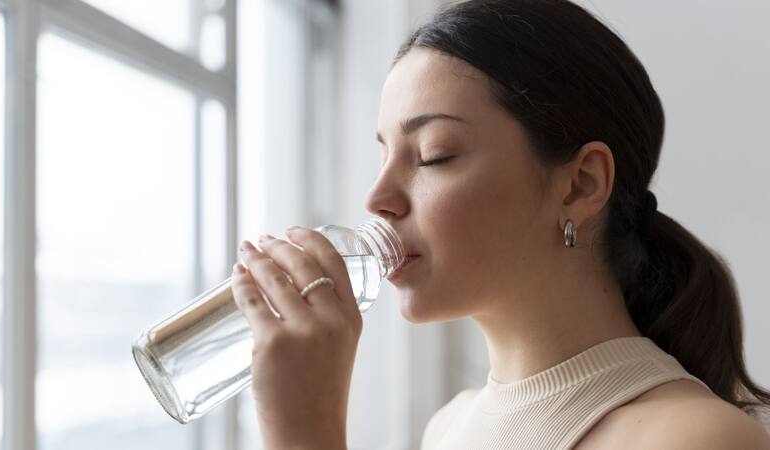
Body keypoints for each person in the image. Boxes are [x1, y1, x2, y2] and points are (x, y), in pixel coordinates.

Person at [230, 0, 770, 448]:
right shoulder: (447, 428)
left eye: (433, 155)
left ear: (581, 184)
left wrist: (304, 433)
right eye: (383, 156)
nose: (377, 199)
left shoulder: (695, 438)